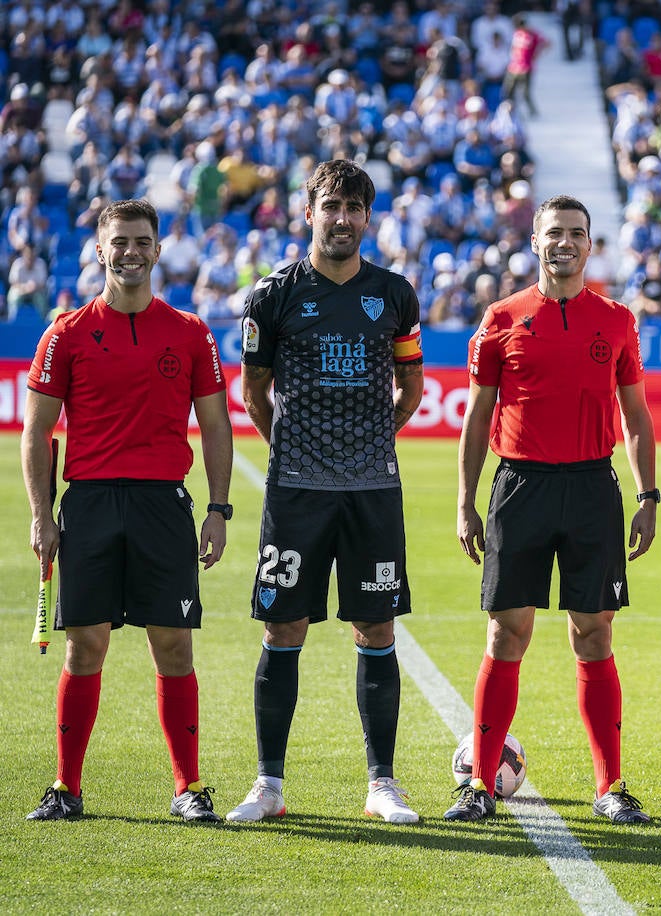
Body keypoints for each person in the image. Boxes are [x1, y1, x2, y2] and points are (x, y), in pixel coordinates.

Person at [444, 195, 658, 825]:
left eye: (576, 234)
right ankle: (478, 785)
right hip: (520, 488)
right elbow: (477, 416)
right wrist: (465, 500)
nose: (564, 243)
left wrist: (647, 496)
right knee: (507, 632)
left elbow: (637, 415)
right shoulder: (502, 318)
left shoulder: (616, 320)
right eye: (553, 233)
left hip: (594, 489)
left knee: (594, 633)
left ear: (591, 246)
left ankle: (610, 786)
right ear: (534, 242)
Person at [226, 159, 425, 825]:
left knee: (375, 626)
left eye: (353, 208)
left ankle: (383, 785)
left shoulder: (394, 293)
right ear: (308, 211)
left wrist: (374, 437)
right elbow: (254, 391)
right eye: (330, 206)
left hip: (372, 491)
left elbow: (412, 388)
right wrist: (294, 448)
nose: (342, 218)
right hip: (296, 493)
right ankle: (269, 786)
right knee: (284, 626)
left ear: (368, 217)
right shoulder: (271, 295)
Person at [23, 198, 233, 822]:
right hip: (87, 504)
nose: (131, 252)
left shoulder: (190, 331)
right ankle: (66, 788)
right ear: (100, 249)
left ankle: (188, 789)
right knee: (84, 645)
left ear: (158, 250)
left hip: (162, 505)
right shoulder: (65, 331)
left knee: (173, 645)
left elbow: (216, 425)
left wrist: (218, 509)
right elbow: (36, 432)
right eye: (120, 242)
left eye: (142, 241)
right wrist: (42, 515)